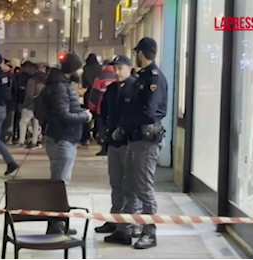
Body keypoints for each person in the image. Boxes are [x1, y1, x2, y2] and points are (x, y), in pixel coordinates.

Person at [106, 37, 168, 250]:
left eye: (137, 53)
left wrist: (124, 126)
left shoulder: (154, 78)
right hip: (135, 139)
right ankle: (126, 229)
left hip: (146, 141)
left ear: (142, 53)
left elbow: (147, 112)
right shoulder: (141, 78)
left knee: (143, 188)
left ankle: (149, 232)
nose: (136, 56)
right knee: (128, 186)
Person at [43, 52, 93, 234]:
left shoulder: (61, 84)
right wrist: (85, 116)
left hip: (61, 138)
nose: (81, 70)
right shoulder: (60, 87)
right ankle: (56, 225)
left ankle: (57, 224)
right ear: (72, 69)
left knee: (59, 183)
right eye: (79, 67)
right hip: (62, 139)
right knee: (59, 185)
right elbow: (63, 115)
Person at [95, 55, 142, 237]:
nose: (117, 72)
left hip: (129, 142)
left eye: (120, 68)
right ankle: (115, 218)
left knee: (130, 185)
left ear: (129, 68)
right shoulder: (112, 89)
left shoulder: (136, 87)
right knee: (115, 183)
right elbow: (105, 112)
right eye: (114, 68)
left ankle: (131, 222)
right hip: (114, 143)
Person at [87, 59, 115, 156]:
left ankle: (104, 148)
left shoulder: (99, 78)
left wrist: (92, 106)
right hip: (114, 108)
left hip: (101, 107)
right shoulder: (117, 76)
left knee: (102, 128)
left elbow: (94, 93)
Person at [16, 61, 44, 149]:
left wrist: (24, 105)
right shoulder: (44, 78)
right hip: (39, 105)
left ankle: (21, 141)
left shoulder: (32, 80)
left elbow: (29, 94)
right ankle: (35, 141)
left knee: (23, 122)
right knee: (35, 123)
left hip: (30, 105)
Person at [80, 53, 102, 145]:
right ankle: (98, 134)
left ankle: (86, 137)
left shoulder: (86, 69)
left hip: (89, 94)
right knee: (99, 114)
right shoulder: (101, 69)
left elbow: (84, 84)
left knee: (86, 114)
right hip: (99, 93)